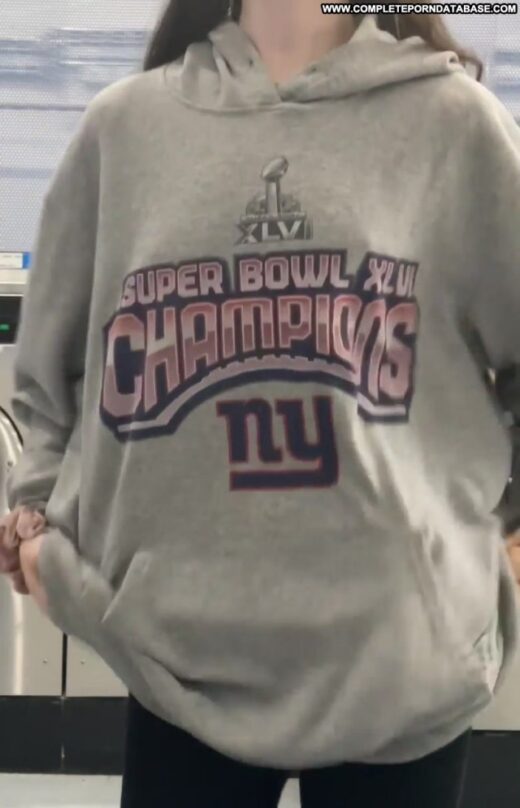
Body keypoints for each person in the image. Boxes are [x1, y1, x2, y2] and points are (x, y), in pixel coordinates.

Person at [1, 1, 520, 806]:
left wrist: (504, 547)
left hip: (400, 665)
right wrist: (37, 527)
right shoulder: (125, 131)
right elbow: (52, 373)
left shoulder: (455, 126)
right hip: (178, 662)